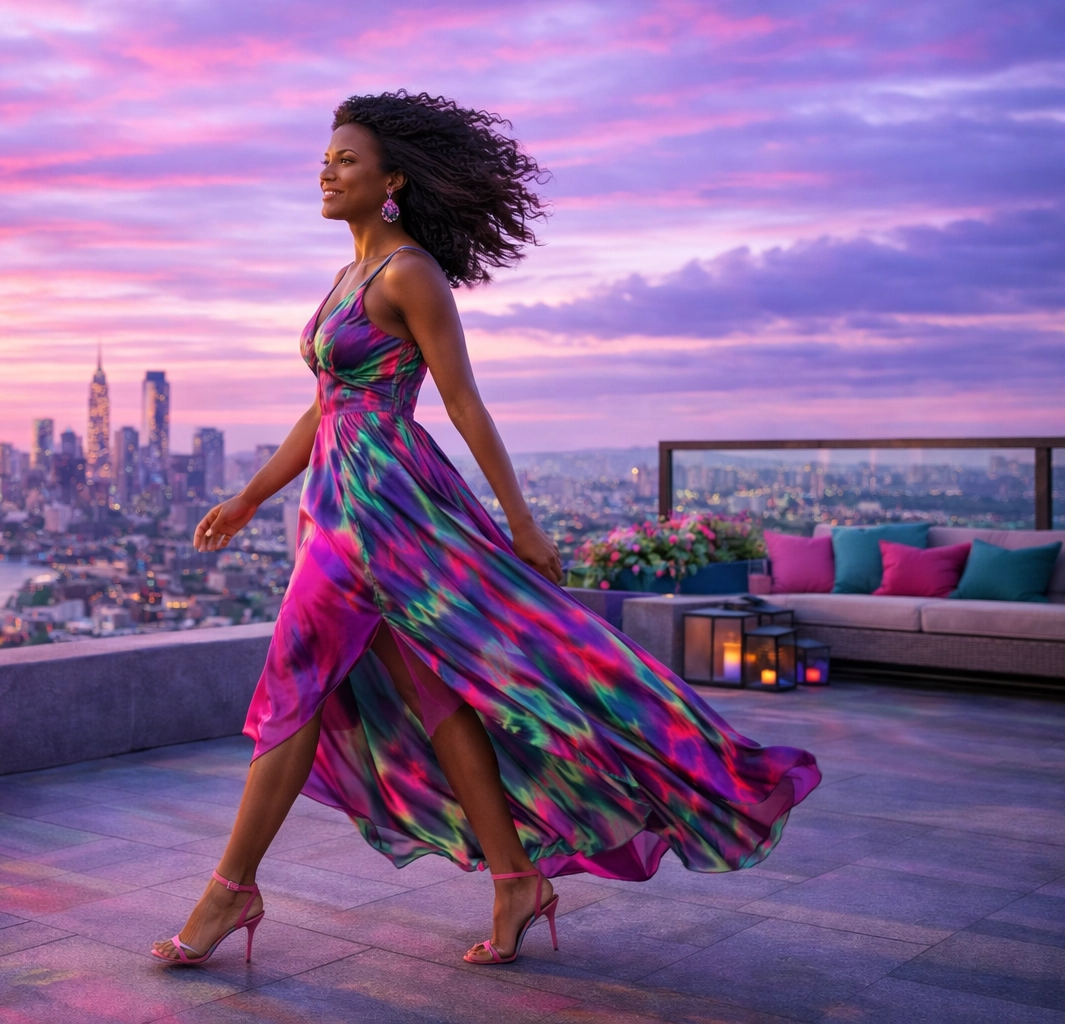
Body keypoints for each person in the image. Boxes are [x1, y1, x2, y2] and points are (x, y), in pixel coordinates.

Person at [152, 91, 819, 967]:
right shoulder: (348, 278)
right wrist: (248, 498)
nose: (327, 170)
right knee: (436, 700)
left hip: (388, 516)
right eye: (325, 158)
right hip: (338, 509)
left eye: (346, 160)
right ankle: (515, 878)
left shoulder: (407, 274)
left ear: (391, 180)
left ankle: (228, 895)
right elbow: (325, 410)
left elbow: (462, 399)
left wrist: (521, 519)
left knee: (293, 685)